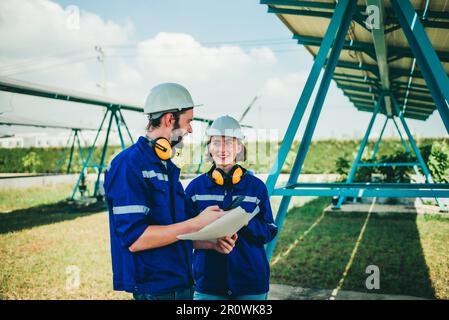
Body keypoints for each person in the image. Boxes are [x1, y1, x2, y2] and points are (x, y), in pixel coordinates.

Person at [103, 83, 236, 300]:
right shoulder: (128, 165)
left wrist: (209, 243)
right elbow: (135, 240)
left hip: (181, 282)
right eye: (188, 122)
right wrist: (197, 223)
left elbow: (175, 231)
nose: (191, 129)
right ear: (169, 119)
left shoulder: (166, 167)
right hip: (155, 289)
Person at [185, 115, 278, 300]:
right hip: (209, 283)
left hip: (250, 283)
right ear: (209, 148)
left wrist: (242, 221)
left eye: (229, 143)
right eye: (216, 143)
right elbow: (183, 235)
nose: (222, 149)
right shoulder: (195, 189)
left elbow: (269, 231)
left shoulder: (256, 188)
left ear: (239, 147)